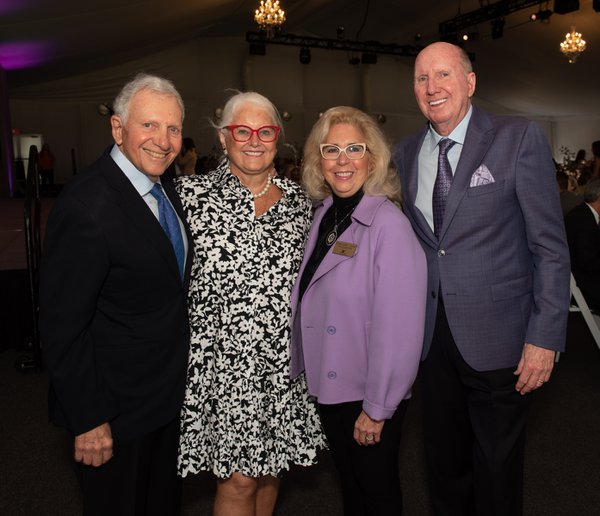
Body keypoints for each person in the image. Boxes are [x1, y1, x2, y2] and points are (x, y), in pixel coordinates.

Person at [393, 42, 570, 516]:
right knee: (444, 468)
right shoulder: (407, 152)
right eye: (421, 79)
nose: (432, 88)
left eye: (443, 75)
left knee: (497, 470)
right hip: (432, 343)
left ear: (469, 83)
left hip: (503, 341)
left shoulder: (518, 137)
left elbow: (550, 248)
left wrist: (545, 337)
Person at [40, 73, 192, 516]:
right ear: (118, 128)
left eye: (173, 129)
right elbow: (61, 324)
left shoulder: (163, 187)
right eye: (149, 126)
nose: (163, 141)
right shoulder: (87, 205)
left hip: (163, 401)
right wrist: (88, 418)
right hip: (113, 413)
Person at [176, 91, 326, 516]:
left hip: (282, 369)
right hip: (225, 370)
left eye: (265, 131)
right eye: (242, 130)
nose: (254, 140)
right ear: (224, 138)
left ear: (277, 138)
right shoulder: (189, 199)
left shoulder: (299, 204)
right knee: (239, 481)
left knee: (269, 476)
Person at [290, 106, 427, 515]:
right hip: (332, 387)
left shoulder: (389, 226)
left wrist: (377, 407)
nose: (343, 160)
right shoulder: (325, 216)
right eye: (331, 150)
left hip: (367, 392)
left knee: (377, 493)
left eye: (354, 148)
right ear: (318, 160)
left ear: (373, 158)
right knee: (352, 488)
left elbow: (399, 329)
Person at [565, 177, 600, 310]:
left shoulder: (582, 213)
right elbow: (587, 261)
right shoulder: (584, 220)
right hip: (582, 283)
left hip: (581, 277)